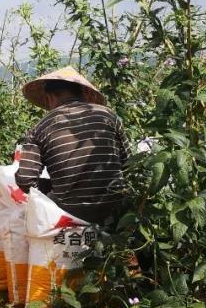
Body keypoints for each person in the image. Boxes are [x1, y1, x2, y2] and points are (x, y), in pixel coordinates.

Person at [14, 66, 129, 227]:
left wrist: (52, 187)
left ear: (49, 97)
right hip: (115, 209)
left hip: (70, 212)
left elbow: (25, 180)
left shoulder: (40, 128)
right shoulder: (108, 116)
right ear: (83, 92)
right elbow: (130, 165)